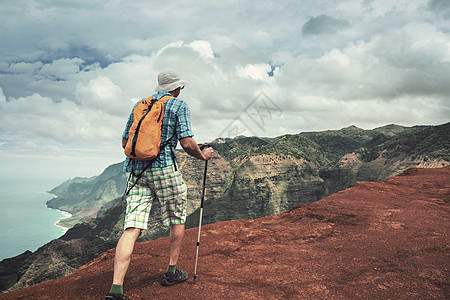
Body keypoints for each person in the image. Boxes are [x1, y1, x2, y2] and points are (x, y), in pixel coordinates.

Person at [105, 70, 214, 300]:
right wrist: (202, 156)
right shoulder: (178, 106)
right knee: (176, 218)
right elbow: (186, 142)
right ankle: (171, 271)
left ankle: (116, 290)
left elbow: (125, 141)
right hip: (164, 169)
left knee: (132, 226)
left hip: (136, 170)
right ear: (177, 87)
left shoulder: (141, 104)